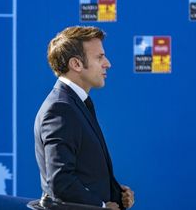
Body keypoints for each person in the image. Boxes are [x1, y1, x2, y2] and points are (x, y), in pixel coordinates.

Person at [34, 26, 135, 210]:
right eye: (99, 57)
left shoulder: (74, 103)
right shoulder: (60, 108)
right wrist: (102, 207)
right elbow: (61, 182)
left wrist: (117, 194)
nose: (107, 63)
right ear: (76, 64)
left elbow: (84, 172)